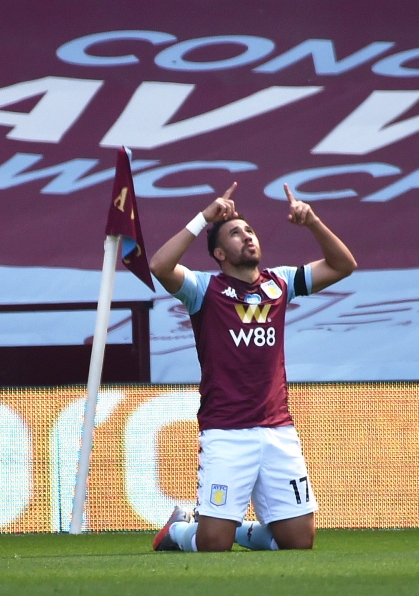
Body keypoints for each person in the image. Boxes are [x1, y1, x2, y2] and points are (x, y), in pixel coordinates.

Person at [147, 182, 357, 552]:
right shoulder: (204, 289)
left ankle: (233, 529)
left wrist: (312, 221)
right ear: (219, 253)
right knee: (213, 546)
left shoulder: (280, 283)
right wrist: (204, 218)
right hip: (226, 432)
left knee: (299, 542)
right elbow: (159, 266)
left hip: (278, 430)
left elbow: (344, 265)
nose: (247, 236)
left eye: (249, 230)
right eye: (235, 233)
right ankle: (179, 530)